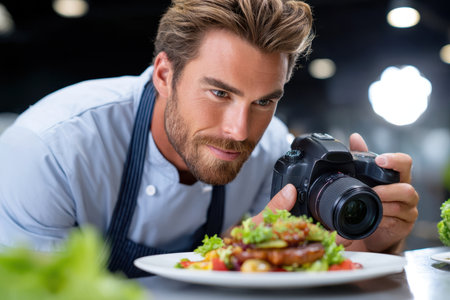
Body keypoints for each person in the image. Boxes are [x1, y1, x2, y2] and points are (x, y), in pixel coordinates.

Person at [0, 0, 418, 277]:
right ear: (165, 74)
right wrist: (229, 260)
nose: (240, 131)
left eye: (264, 101)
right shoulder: (49, 150)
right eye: (219, 93)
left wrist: (371, 246)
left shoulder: (274, 152)